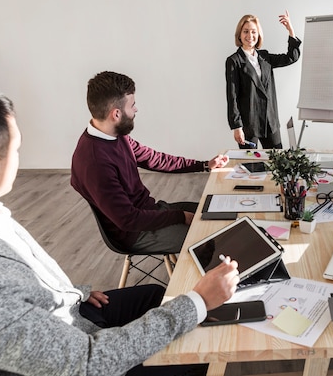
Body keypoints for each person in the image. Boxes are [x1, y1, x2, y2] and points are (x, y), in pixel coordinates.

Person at [0, 84, 240, 375]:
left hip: (78, 308)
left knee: (155, 293)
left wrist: (74, 293)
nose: (136, 109)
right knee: (194, 350)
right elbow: (88, 361)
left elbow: (155, 158)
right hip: (86, 340)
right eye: (16, 149)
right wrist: (196, 301)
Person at [71, 71, 229, 253]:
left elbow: (156, 159)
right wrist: (180, 216)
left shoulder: (115, 135)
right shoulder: (95, 162)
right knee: (211, 241)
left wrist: (204, 165)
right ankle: (200, 281)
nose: (136, 110)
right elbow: (128, 220)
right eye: (132, 105)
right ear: (116, 114)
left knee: (214, 215)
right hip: (135, 233)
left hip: (150, 212)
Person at [225, 11, 301, 149]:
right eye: (246, 31)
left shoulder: (265, 57)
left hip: (270, 121)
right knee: (251, 166)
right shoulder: (234, 61)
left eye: (254, 32)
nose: (250, 36)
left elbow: (292, 57)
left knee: (277, 163)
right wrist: (237, 126)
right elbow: (232, 96)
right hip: (248, 124)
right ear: (240, 34)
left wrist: (291, 30)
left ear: (258, 34)